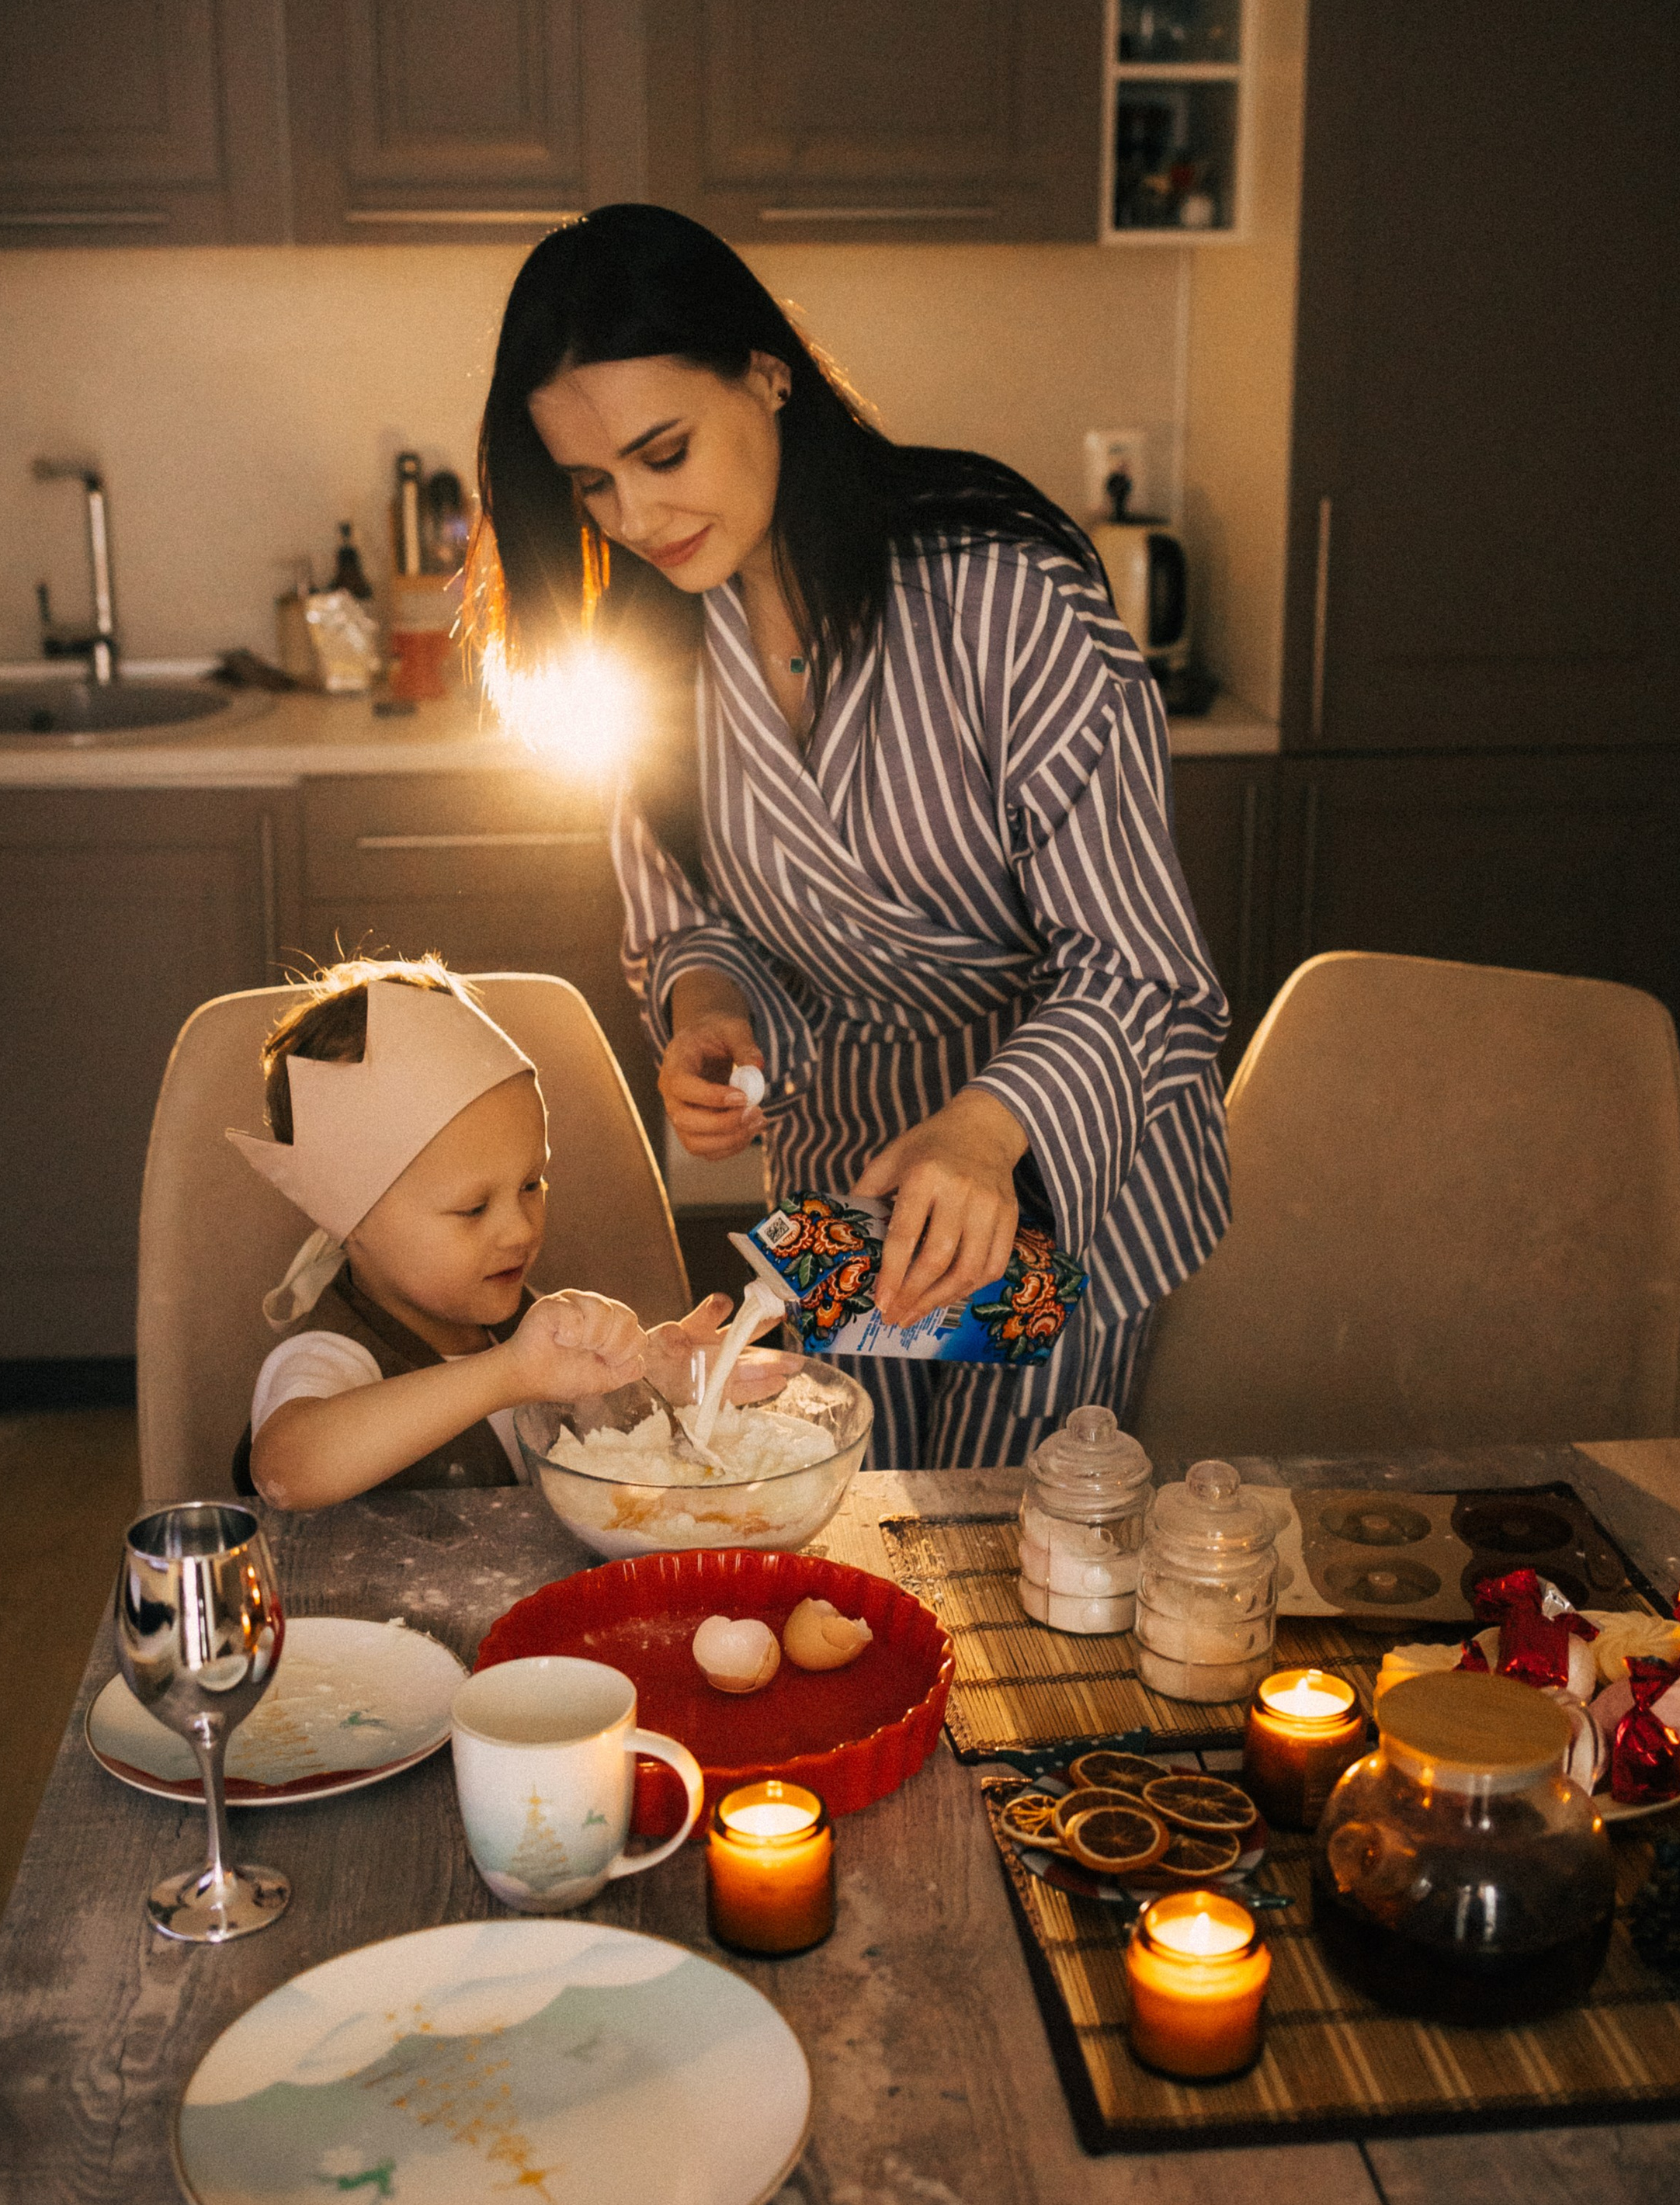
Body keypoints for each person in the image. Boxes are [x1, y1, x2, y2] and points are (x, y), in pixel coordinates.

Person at [468, 207, 1230, 1467]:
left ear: (766, 370)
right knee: (846, 1536)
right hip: (841, 1176)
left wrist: (987, 1128)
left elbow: (1139, 966)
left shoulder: (1004, 592)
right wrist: (709, 1003)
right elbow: (685, 926)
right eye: (593, 483)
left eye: (665, 451)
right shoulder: (649, 644)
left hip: (1060, 1162)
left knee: (1004, 1546)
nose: (641, 517)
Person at [227, 957, 780, 1509]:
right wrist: (508, 1374)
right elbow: (286, 1471)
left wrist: (653, 1379)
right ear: (351, 1222)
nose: (519, 1228)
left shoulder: (524, 1322)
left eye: (531, 1182)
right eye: (472, 1208)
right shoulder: (330, 1355)